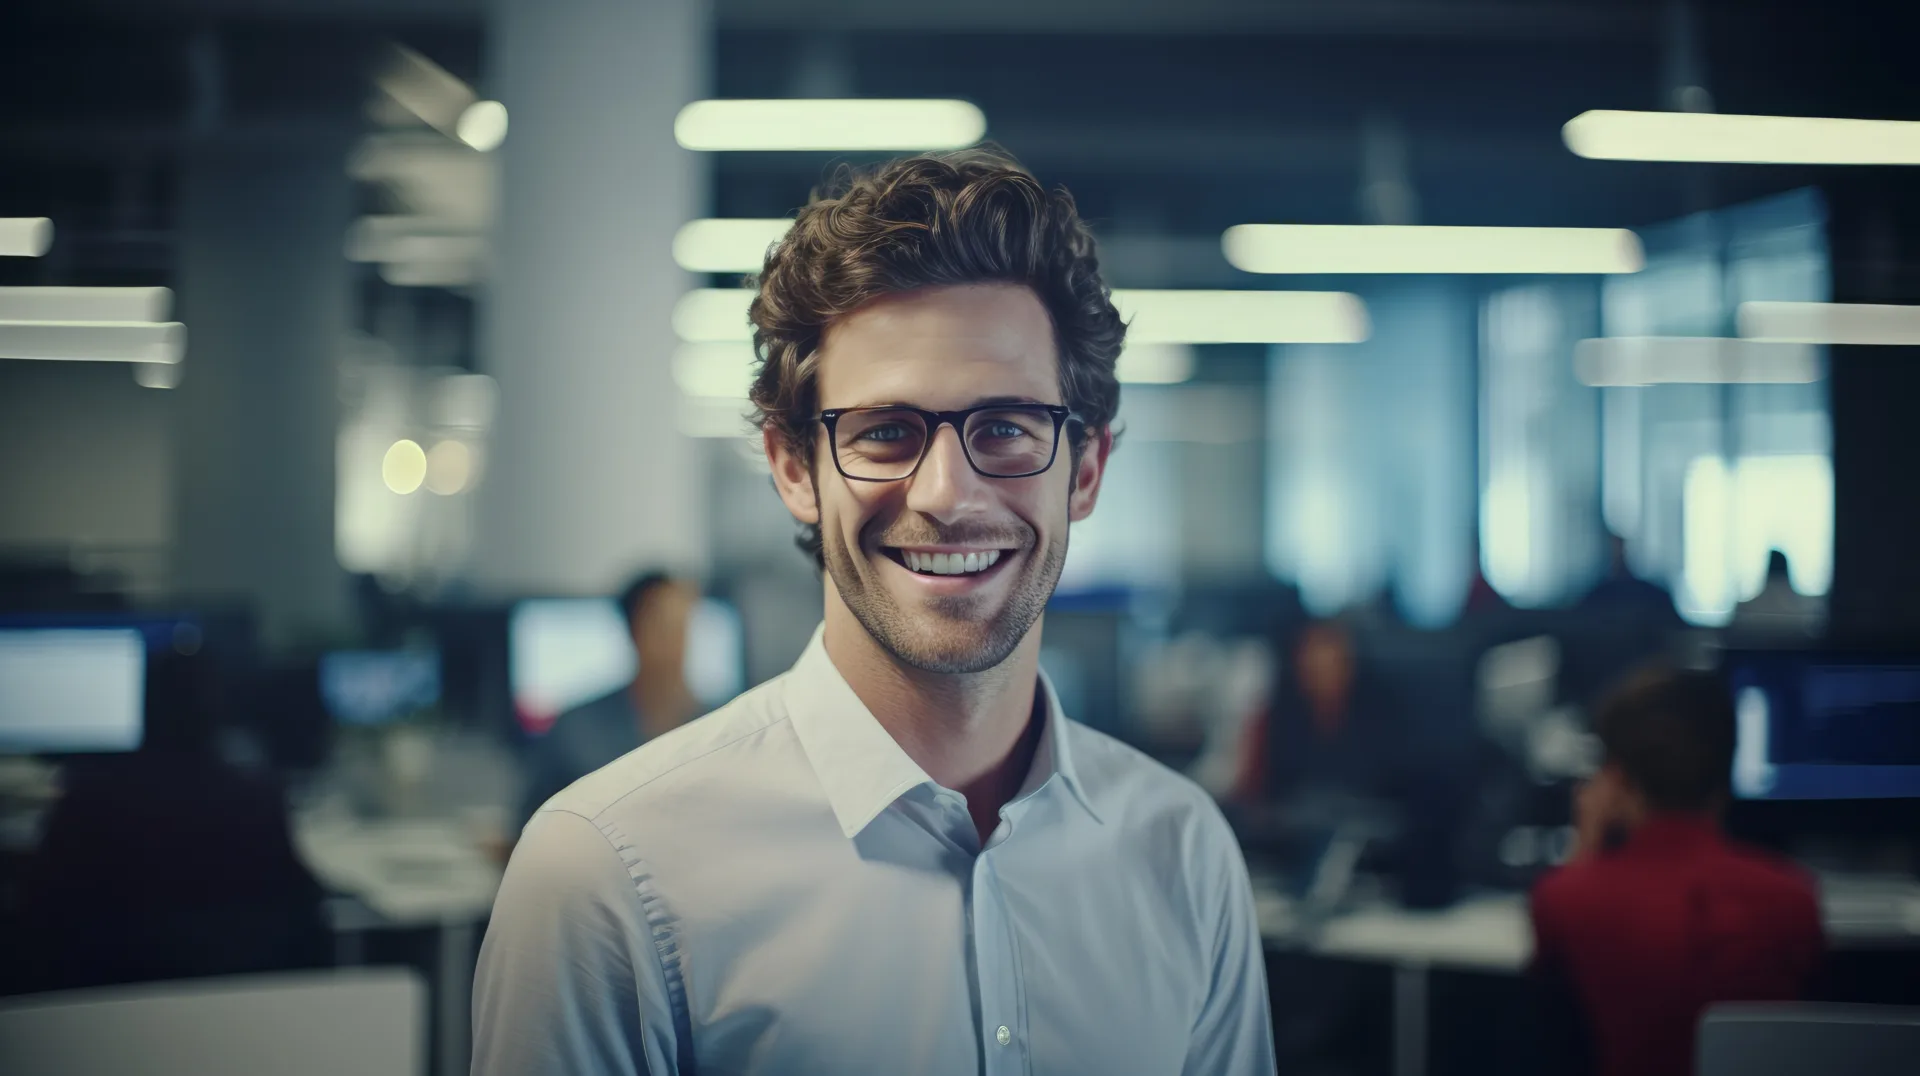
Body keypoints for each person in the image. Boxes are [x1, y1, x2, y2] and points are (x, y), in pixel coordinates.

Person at [473, 151, 1275, 1075]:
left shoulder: (1183, 853)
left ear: (1084, 470)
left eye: (1007, 427)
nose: (946, 493)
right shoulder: (606, 877)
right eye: (885, 432)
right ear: (792, 468)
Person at [1529, 665, 1824, 1076]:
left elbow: (1550, 1009)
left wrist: (1587, 839)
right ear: (1727, 766)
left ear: (1616, 778)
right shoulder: (1794, 897)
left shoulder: (1565, 899)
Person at [13, 650, 328, 993]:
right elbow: (302, 918)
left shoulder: (87, 798)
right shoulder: (256, 797)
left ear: (144, 707)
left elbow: (34, 919)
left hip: (102, 1005)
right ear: (217, 711)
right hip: (230, 1001)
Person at [516, 572, 701, 829]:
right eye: (664, 627)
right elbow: (528, 831)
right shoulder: (577, 730)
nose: (677, 642)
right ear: (634, 630)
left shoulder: (722, 725)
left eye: (684, 626)